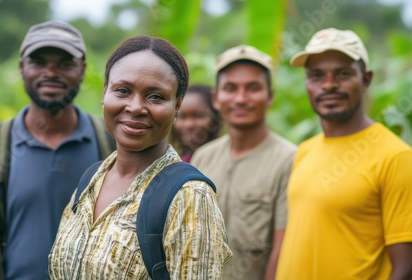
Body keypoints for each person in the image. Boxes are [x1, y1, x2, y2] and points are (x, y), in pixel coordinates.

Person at [48, 35, 232, 279]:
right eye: (123, 91)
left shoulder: (189, 197)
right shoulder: (90, 181)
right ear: (105, 92)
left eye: (155, 96)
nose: (135, 107)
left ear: (177, 105)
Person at [276, 27, 412, 279]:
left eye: (342, 74)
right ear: (306, 82)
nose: (328, 85)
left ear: (366, 79)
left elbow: (410, 271)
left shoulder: (396, 157)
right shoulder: (305, 151)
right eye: (316, 75)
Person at [0, 20, 114, 279]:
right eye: (39, 62)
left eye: (65, 64)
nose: (51, 73)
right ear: (22, 68)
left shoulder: (112, 146)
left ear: (82, 70)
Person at [191, 45, 297, 280]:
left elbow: (283, 252)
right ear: (216, 99)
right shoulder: (203, 157)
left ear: (270, 96)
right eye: (230, 88)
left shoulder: (290, 160)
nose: (241, 98)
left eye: (253, 88)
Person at [171, 84, 222, 163]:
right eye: (182, 117)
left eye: (198, 116)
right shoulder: (178, 163)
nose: (189, 124)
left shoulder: (223, 159)